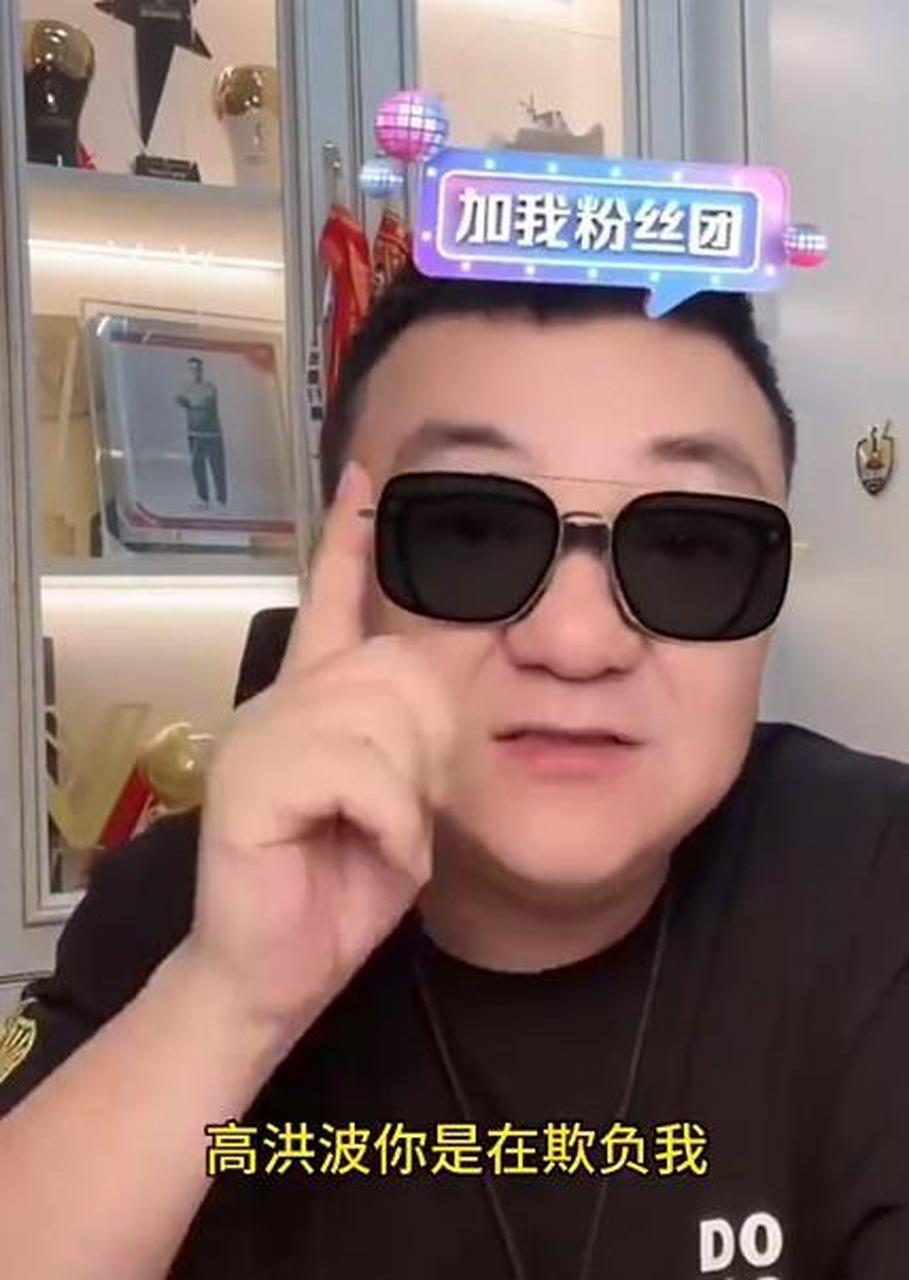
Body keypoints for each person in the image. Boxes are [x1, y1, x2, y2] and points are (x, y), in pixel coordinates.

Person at [1, 262, 907, 1280]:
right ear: (341, 581)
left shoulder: (875, 880)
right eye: (471, 532)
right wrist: (227, 1001)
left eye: (691, 544)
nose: (576, 642)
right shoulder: (175, 910)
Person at [176, 356, 228, 509]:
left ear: (201, 370)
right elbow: (179, 400)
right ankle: (203, 499)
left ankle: (221, 500)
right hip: (194, 434)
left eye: (197, 369)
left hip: (212, 434)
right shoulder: (186, 388)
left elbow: (203, 402)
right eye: (192, 369)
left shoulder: (209, 387)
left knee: (217, 467)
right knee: (197, 468)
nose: (195, 372)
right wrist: (186, 401)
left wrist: (189, 402)